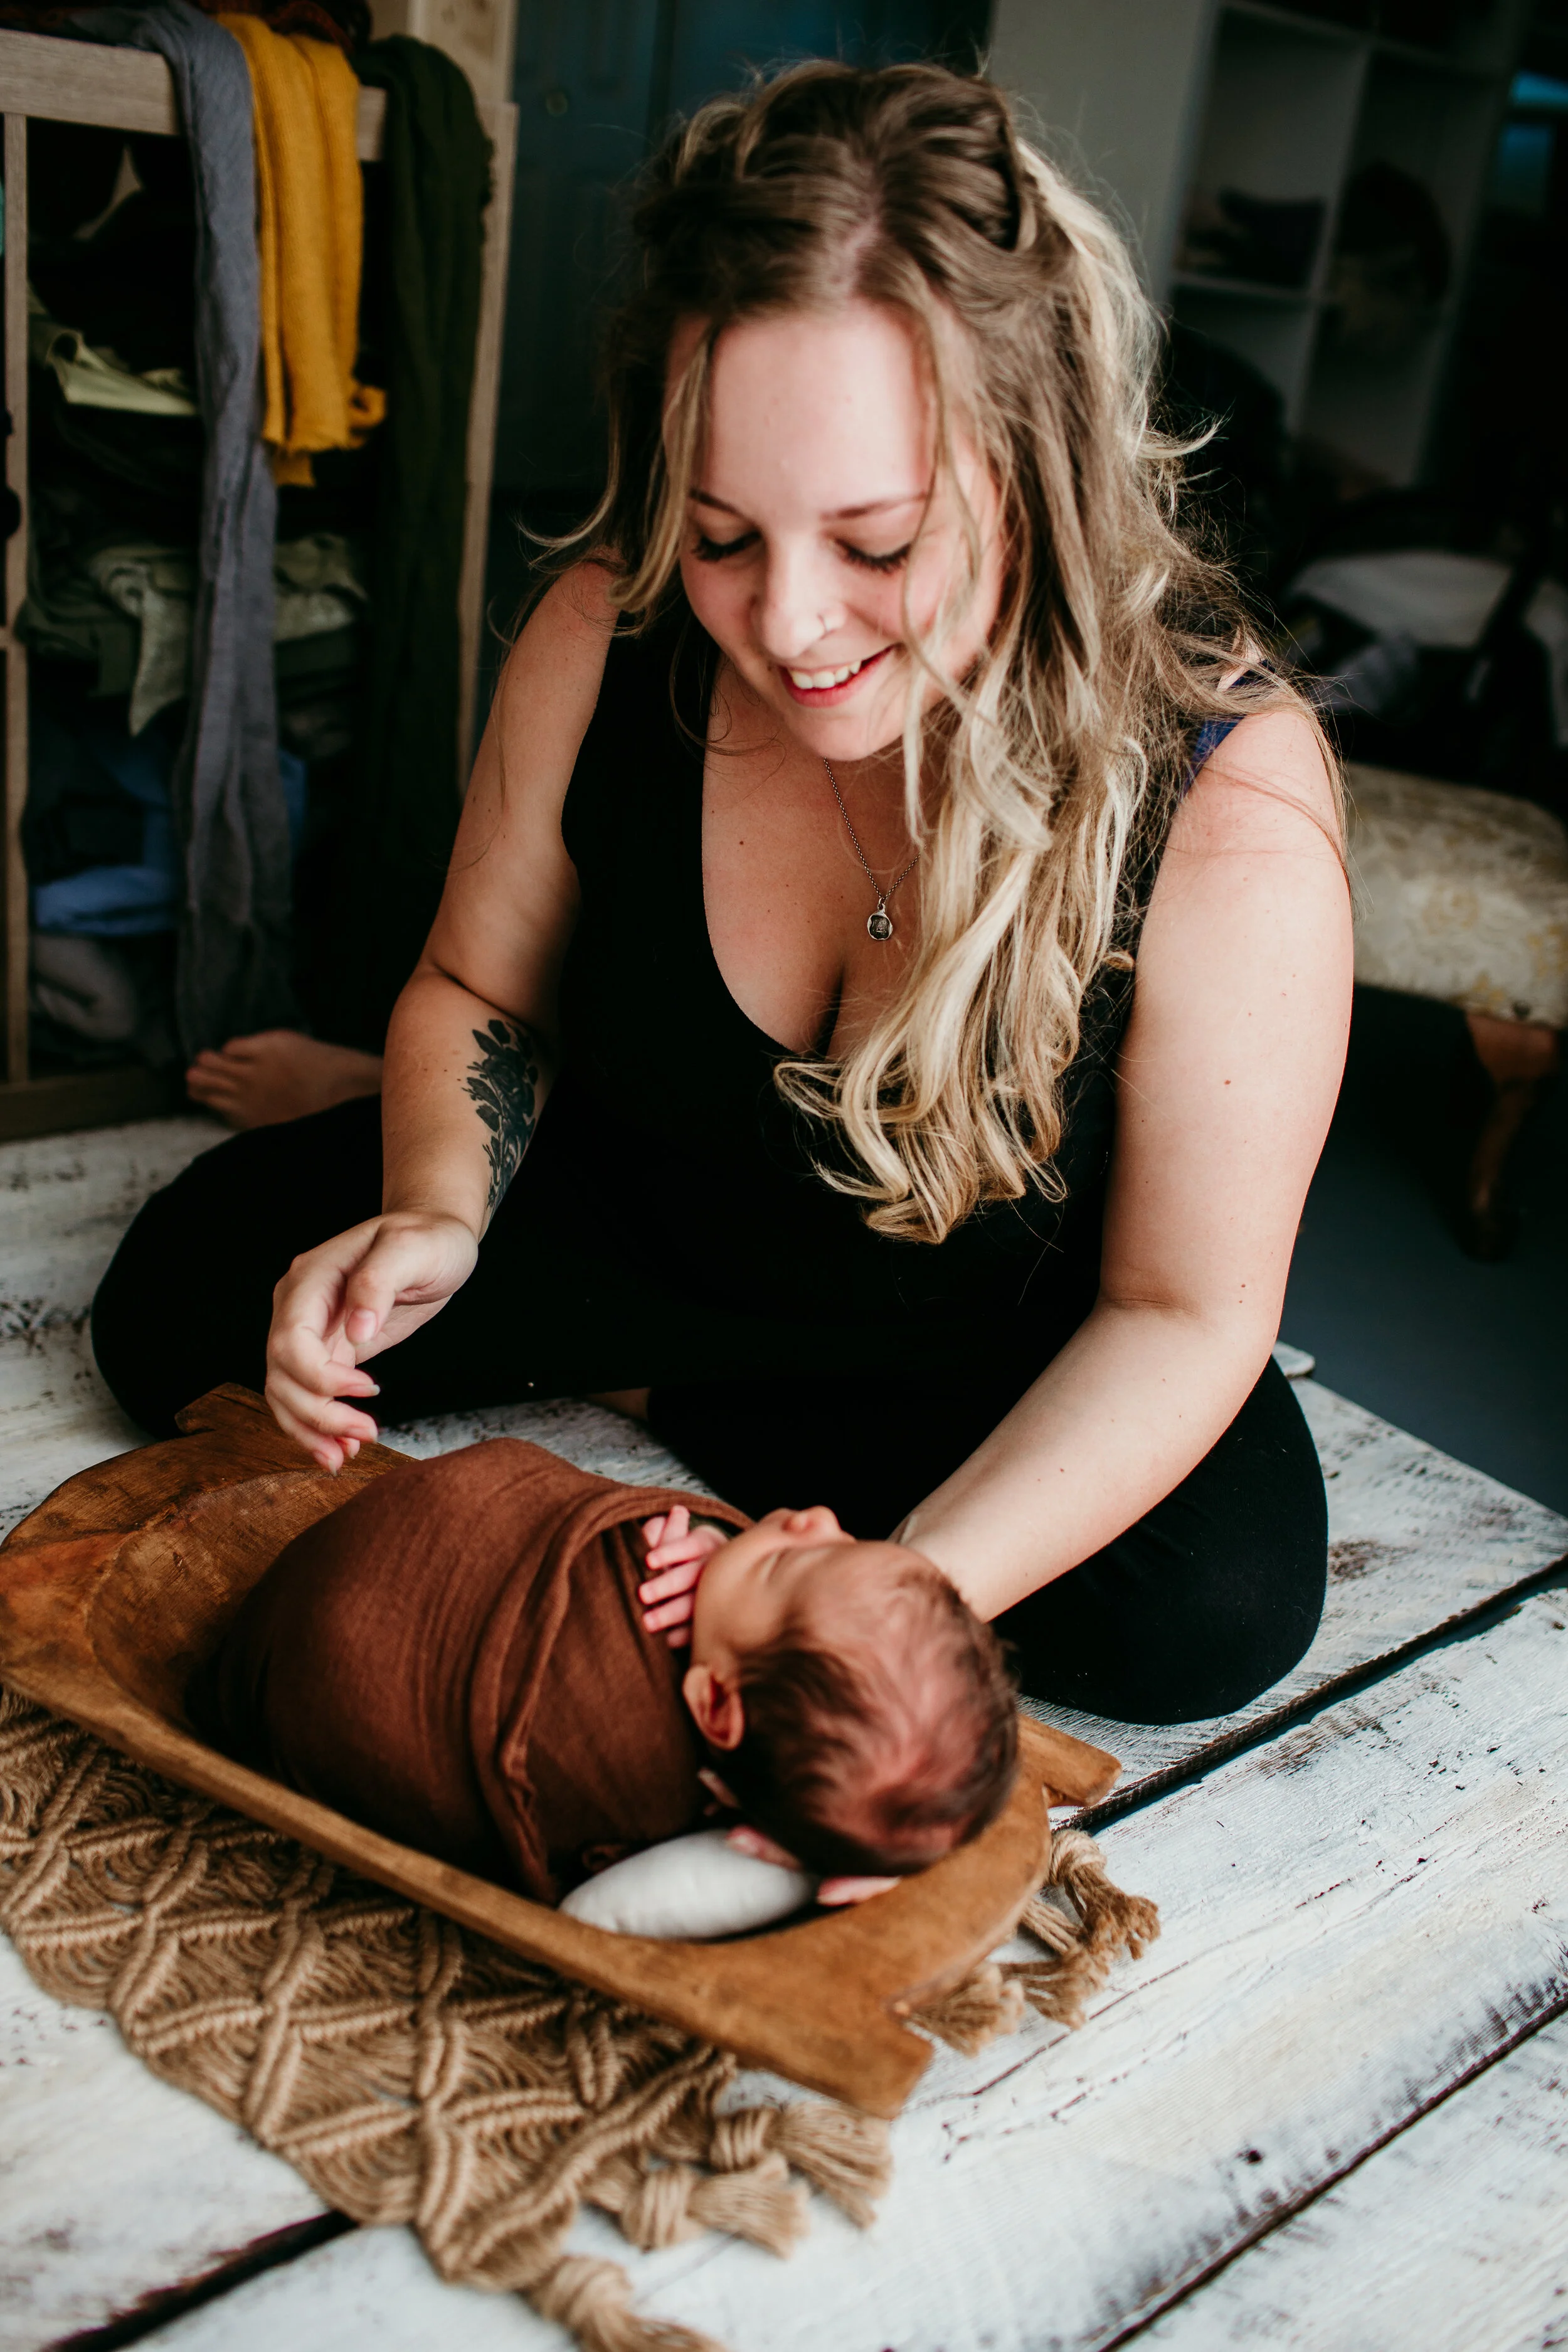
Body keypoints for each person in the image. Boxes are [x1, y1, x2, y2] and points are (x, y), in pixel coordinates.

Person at [94, 61, 1352, 1729]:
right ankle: (651, 1352)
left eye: (877, 541)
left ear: (1030, 463)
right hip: (650, 1199)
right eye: (722, 534)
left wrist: (907, 1584)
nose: (794, 624)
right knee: (186, 1294)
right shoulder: (603, 633)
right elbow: (478, 986)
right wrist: (440, 1208)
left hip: (972, 1321)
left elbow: (1185, 1308)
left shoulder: (1225, 792)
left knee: (1206, 1606)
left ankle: (655, 1377)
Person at [188, 1437, 1018, 1900]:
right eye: (842, 1540)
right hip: (409, 1552)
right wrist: (714, 1547)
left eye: (787, 1566)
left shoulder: (670, 1806)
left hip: (349, 1656)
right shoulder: (767, 1702)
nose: (816, 1517)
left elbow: (600, 1901)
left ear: (716, 1704)